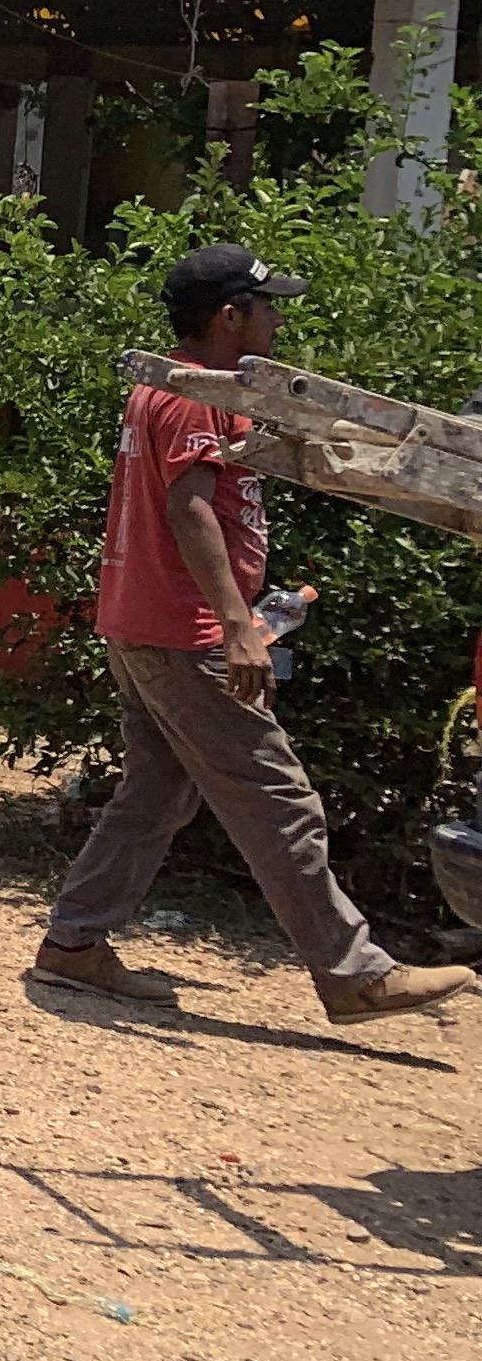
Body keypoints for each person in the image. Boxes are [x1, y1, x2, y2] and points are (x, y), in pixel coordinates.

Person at [32, 243, 472, 1024]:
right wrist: (237, 626)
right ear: (229, 314)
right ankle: (354, 973)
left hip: (143, 622)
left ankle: (74, 946)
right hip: (186, 630)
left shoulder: (173, 387)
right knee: (283, 801)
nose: (279, 317)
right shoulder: (198, 396)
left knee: (157, 791)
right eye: (268, 305)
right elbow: (189, 508)